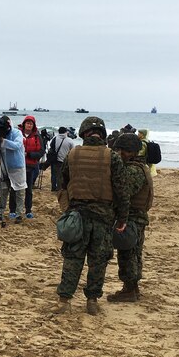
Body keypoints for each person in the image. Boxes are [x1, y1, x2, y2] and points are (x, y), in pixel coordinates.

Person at [55, 116, 128, 315]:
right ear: (103, 134)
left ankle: (64, 301)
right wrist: (122, 218)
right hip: (103, 219)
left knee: (72, 259)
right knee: (98, 261)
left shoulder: (73, 154)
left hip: (77, 215)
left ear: (83, 133)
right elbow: (121, 191)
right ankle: (92, 301)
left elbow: (63, 183)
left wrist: (69, 209)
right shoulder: (112, 157)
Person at [108, 134, 153, 302]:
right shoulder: (138, 166)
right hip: (134, 217)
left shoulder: (133, 170)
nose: (120, 153)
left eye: (125, 151)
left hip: (132, 217)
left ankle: (129, 289)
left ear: (134, 152)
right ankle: (132, 288)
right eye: (118, 150)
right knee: (132, 252)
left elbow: (123, 193)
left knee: (128, 253)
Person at [0, 116, 27, 224]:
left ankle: (19, 214)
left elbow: (17, 145)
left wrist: (3, 140)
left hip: (17, 166)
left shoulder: (16, 133)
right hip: (4, 165)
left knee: (19, 191)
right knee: (2, 190)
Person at [19, 115, 44, 218]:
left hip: (31, 166)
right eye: (27, 123)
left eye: (31, 123)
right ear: (24, 124)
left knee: (28, 190)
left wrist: (29, 154)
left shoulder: (37, 136)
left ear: (33, 125)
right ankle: (14, 210)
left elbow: (41, 151)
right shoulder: (18, 134)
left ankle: (28, 210)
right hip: (18, 165)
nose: (29, 125)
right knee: (15, 189)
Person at [42, 126, 75, 192]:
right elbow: (73, 151)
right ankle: (61, 188)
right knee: (63, 175)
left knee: (54, 174)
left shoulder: (55, 139)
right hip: (65, 161)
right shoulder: (70, 141)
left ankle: (53, 187)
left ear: (58, 132)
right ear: (66, 132)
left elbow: (51, 148)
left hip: (55, 160)